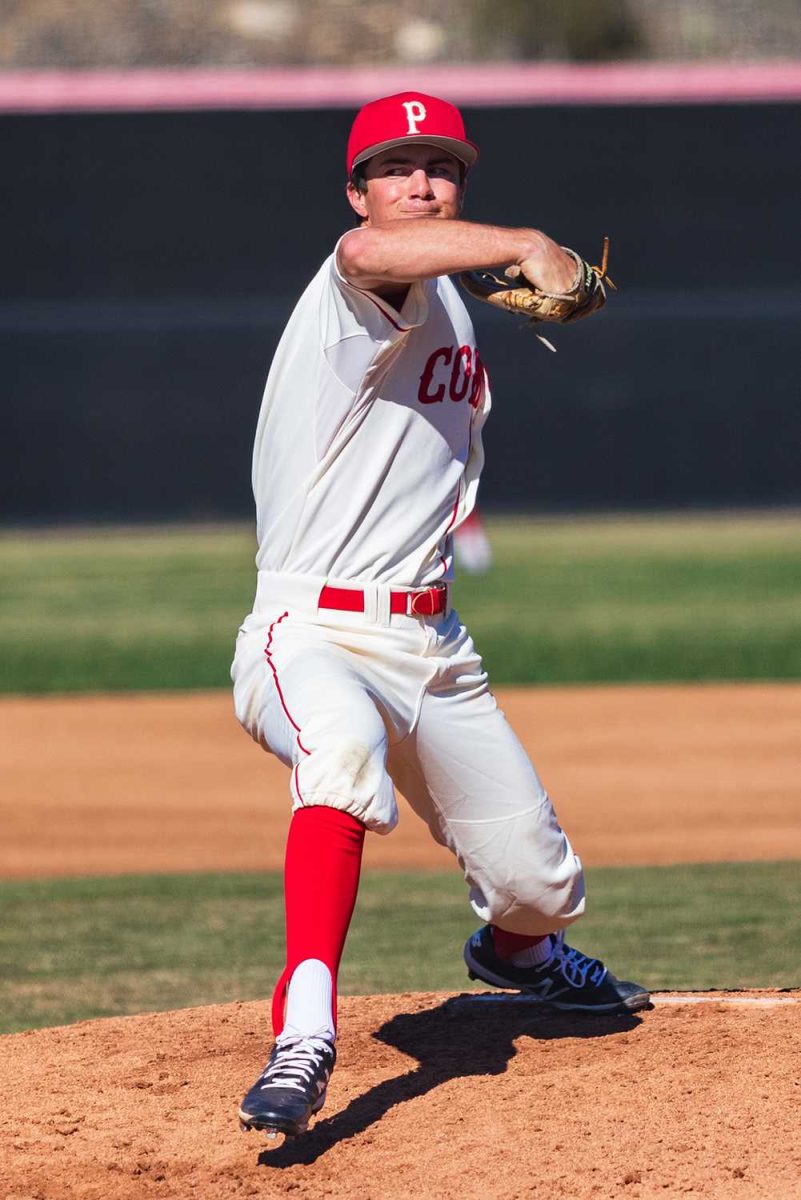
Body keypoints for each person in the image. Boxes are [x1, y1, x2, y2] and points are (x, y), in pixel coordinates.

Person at [232, 91, 648, 1140]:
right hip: (312, 629)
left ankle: (515, 954)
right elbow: (369, 255)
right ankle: (305, 1033)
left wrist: (499, 258)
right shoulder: (356, 282)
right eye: (396, 166)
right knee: (340, 754)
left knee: (540, 886)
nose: (421, 183)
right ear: (358, 190)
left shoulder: (460, 302)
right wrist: (529, 241)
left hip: (431, 642)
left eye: (441, 166)